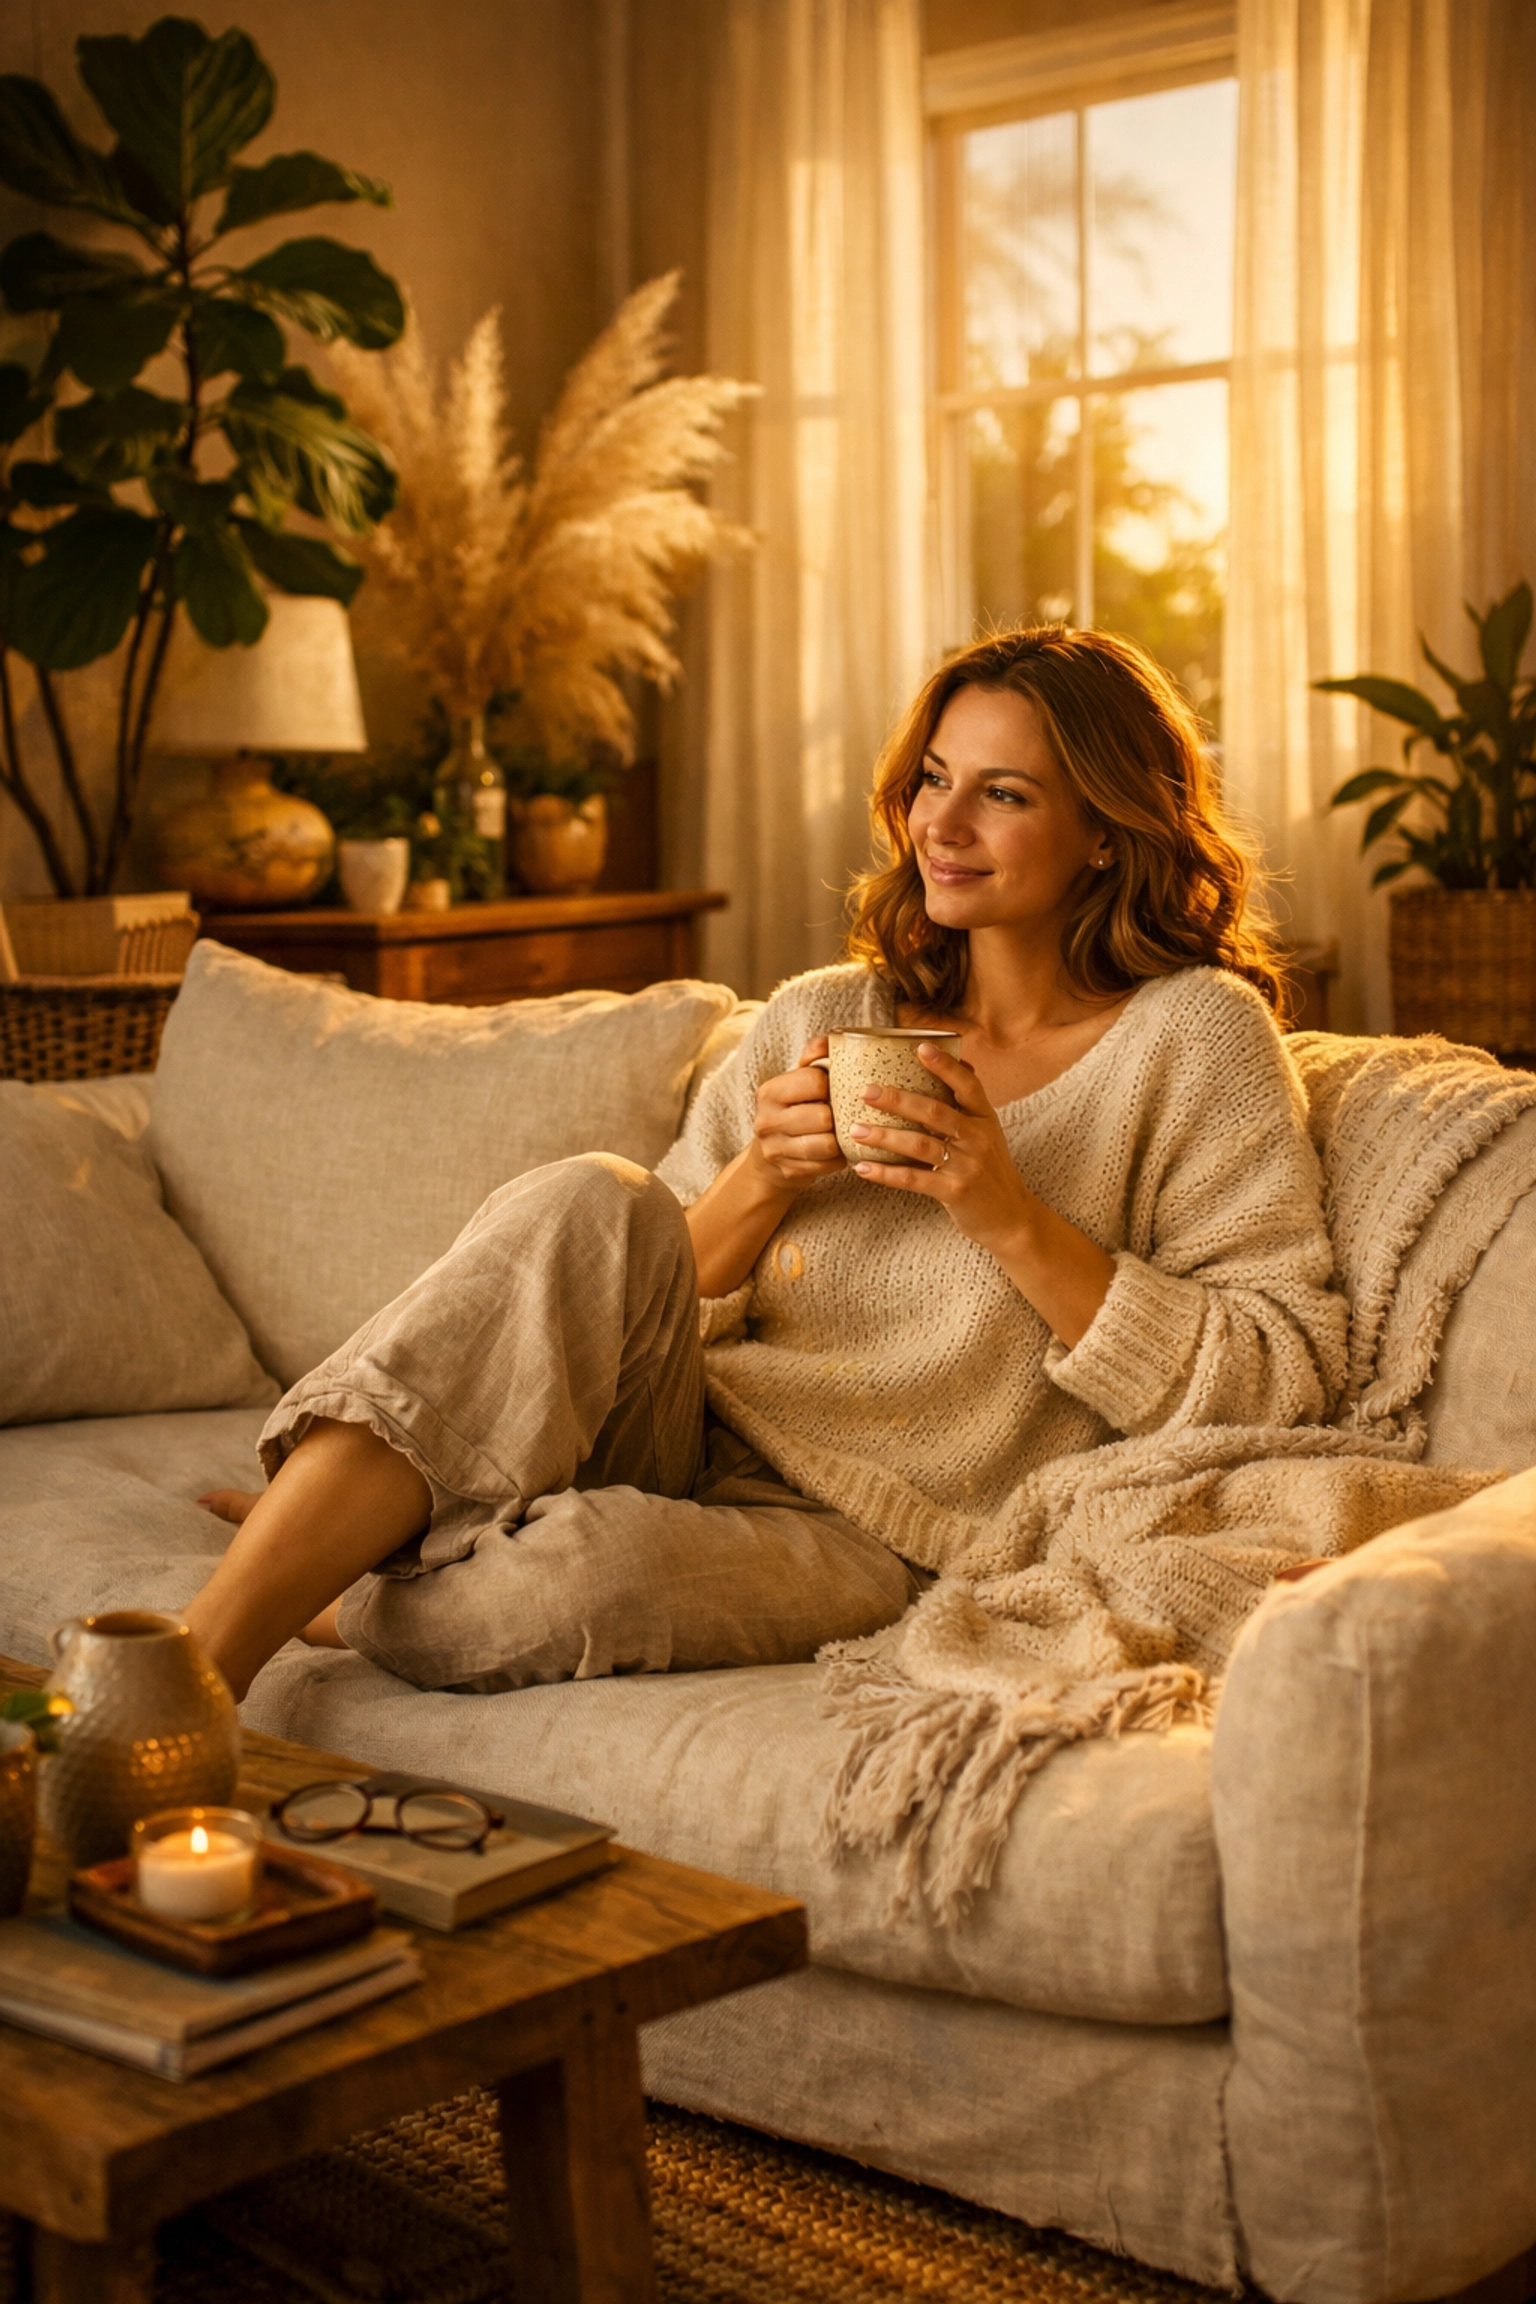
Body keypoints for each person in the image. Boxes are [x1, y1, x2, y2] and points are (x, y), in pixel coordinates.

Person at [185, 626, 1345, 1702]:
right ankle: (190, 1676)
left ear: (1106, 827)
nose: (943, 826)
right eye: (936, 779)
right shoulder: (824, 1014)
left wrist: (1006, 1214)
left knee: (567, 1585)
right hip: (683, 1423)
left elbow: (1279, 1376)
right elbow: (623, 1289)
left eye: (1004, 794)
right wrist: (763, 1178)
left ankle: (344, 1566)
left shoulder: (1195, 1038)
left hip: (869, 1532)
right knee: (594, 1193)